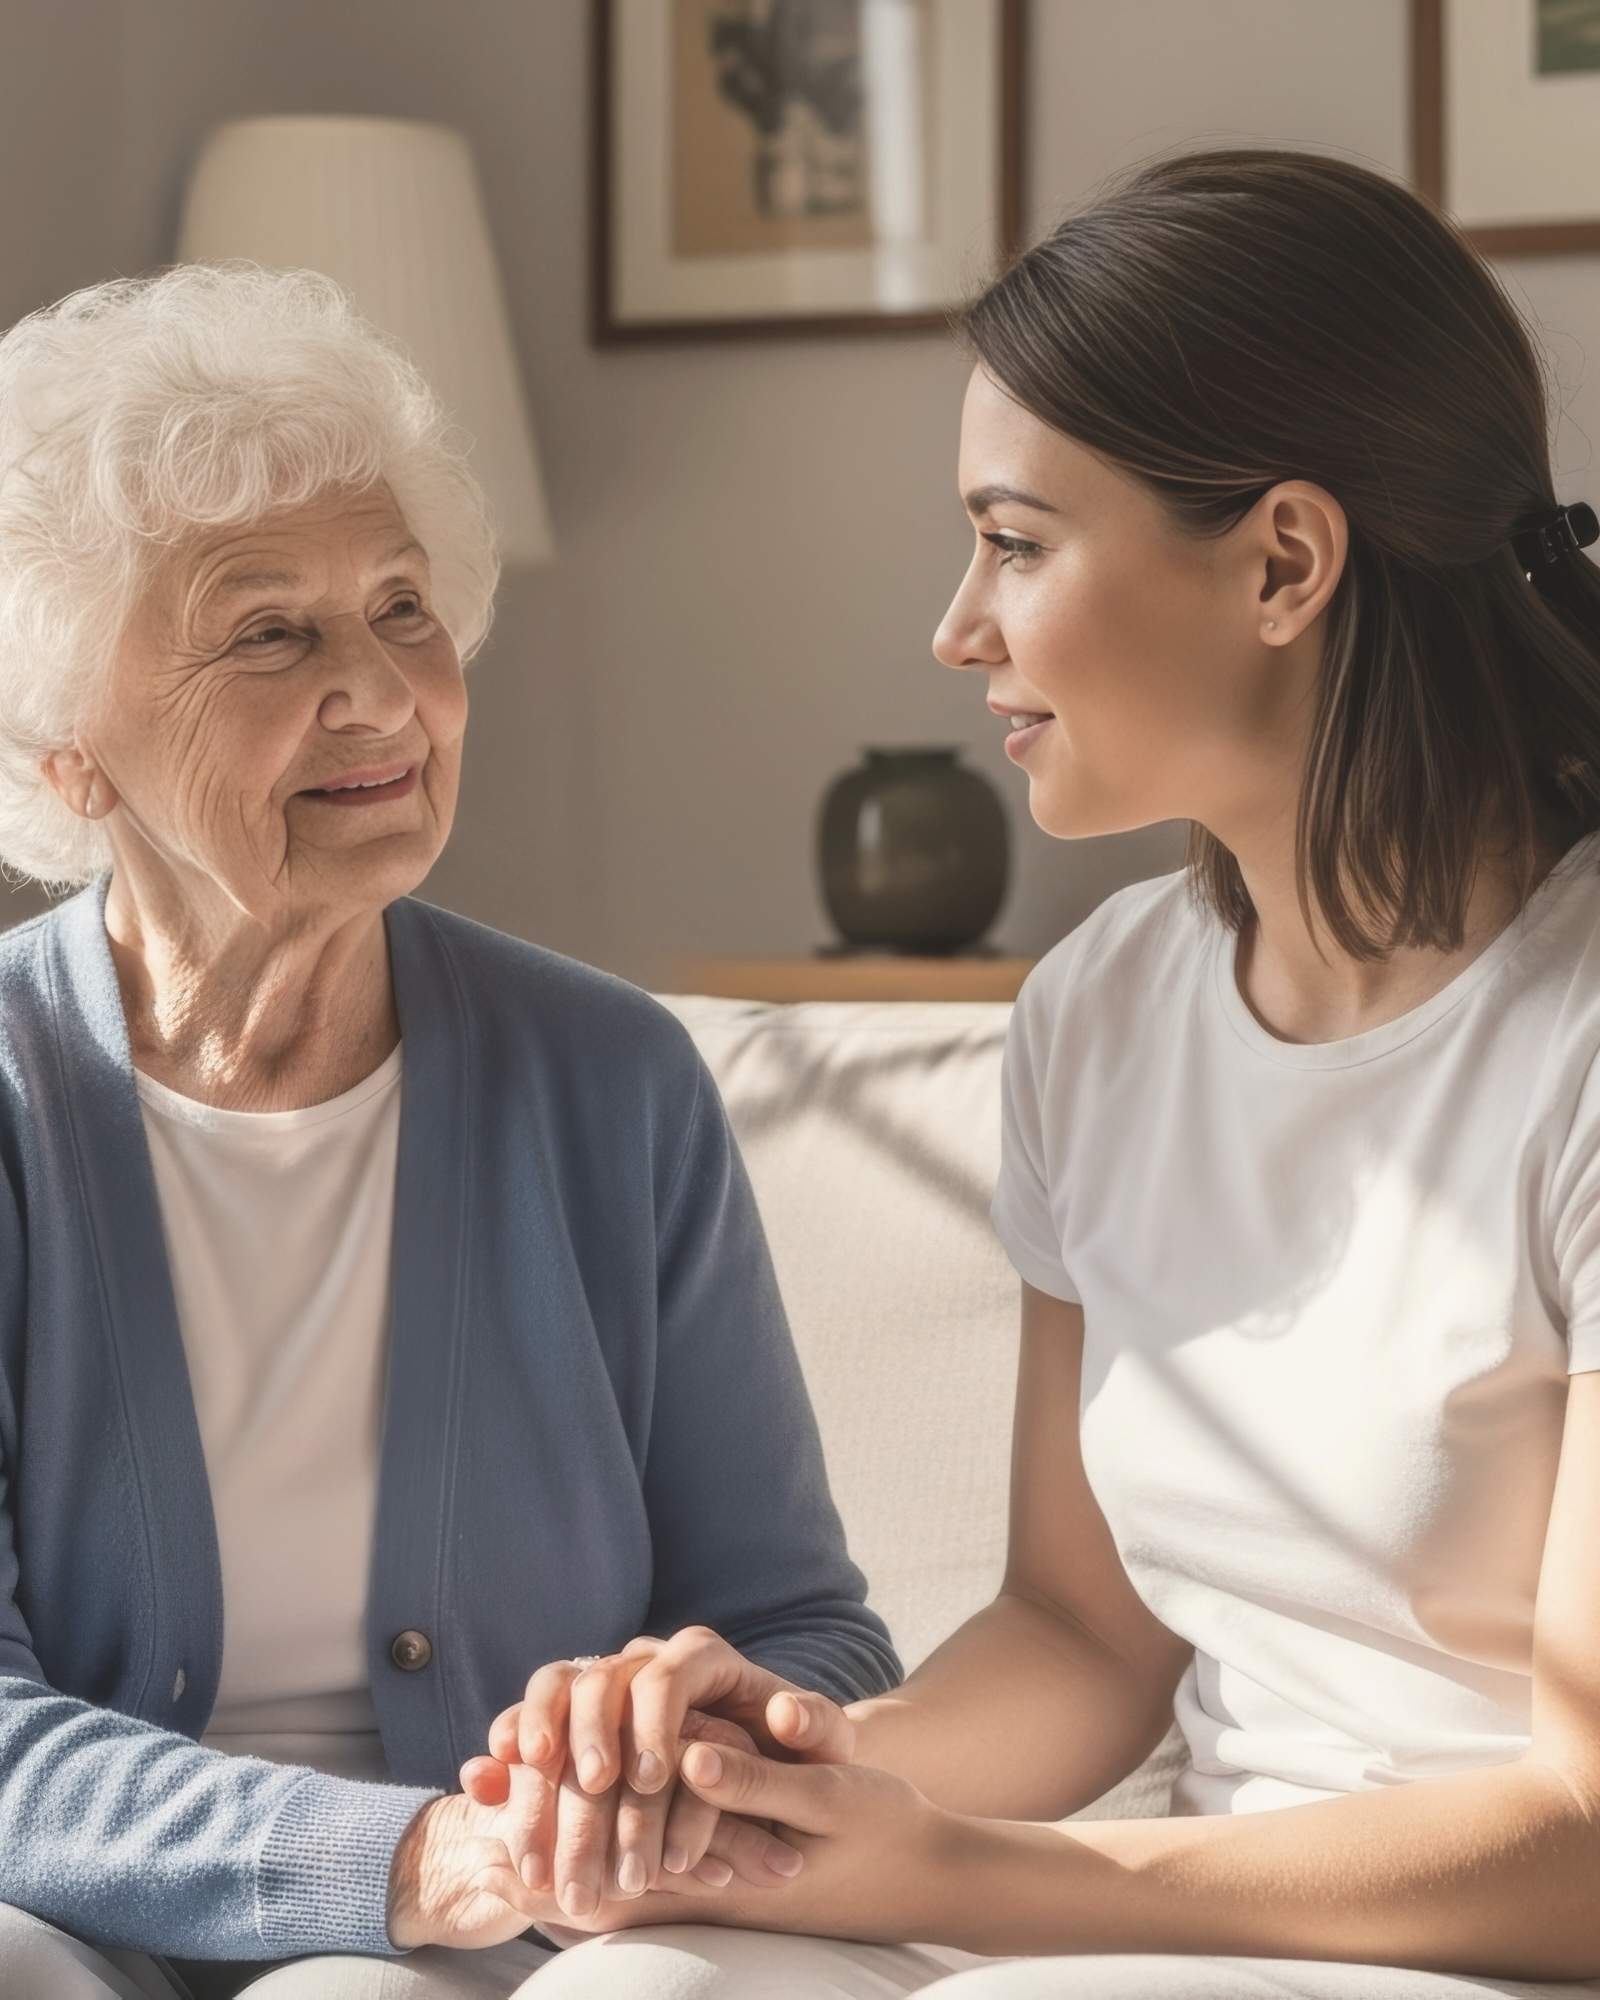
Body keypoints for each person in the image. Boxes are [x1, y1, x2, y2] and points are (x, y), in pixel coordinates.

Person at [460, 147, 1600, 1997]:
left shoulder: (1575, 1040)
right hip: (1167, 1917)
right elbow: (1081, 1635)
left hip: (1482, 1943)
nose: (957, 625)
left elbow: (1586, 1831)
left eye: (1014, 540)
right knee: (633, 1981)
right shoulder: (1100, 1015)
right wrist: (784, 1786)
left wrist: (991, 1884)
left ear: (1285, 561)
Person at [0, 259, 939, 1999]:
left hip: (523, 1930)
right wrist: (406, 1858)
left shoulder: (613, 1082)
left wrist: (681, 1732)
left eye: (405, 611)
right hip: (94, 1916)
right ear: (69, 749)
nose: (380, 693)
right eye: (271, 630)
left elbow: (811, 1632)